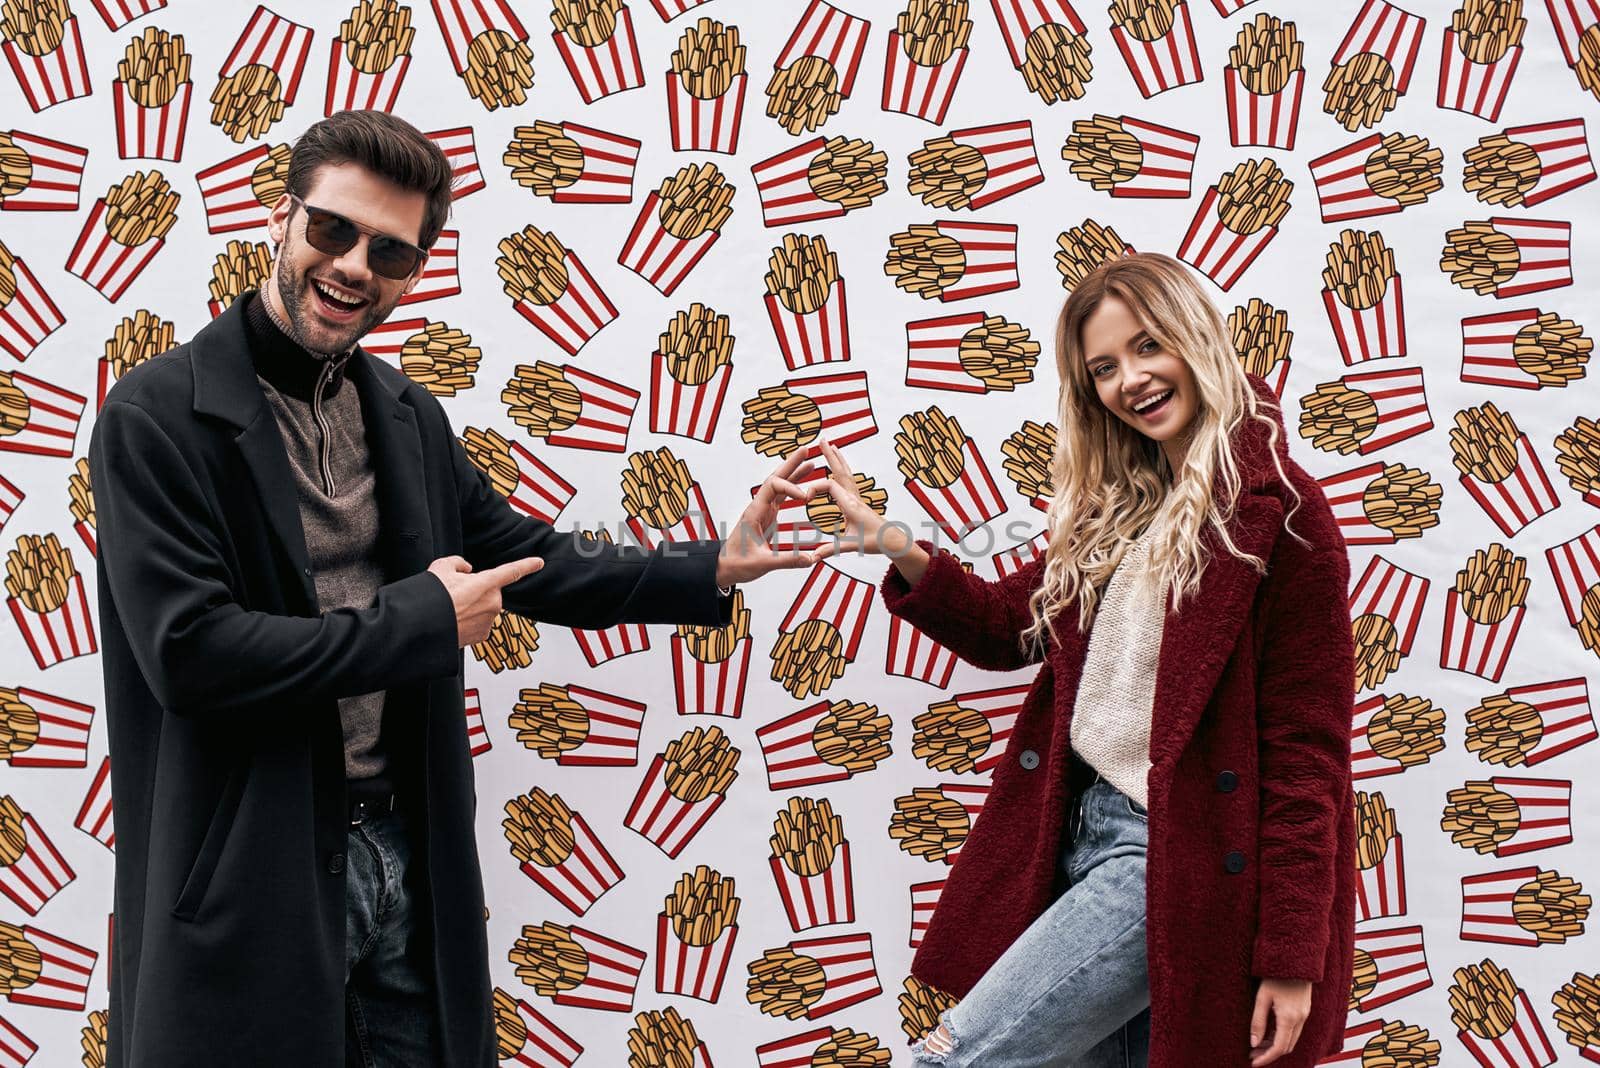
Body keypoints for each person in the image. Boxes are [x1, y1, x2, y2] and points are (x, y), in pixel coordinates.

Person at [87, 109, 823, 1067]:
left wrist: (710, 563)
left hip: (406, 852)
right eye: (332, 230)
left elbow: (529, 558)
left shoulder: (402, 414)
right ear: (279, 219)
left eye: (389, 251)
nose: (354, 266)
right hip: (252, 868)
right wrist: (422, 618)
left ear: (414, 272)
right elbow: (192, 656)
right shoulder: (155, 418)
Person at [813, 252, 1356, 1067]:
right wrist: (892, 543)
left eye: (1147, 347)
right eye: (1103, 368)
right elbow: (1005, 627)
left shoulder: (1281, 517)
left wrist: (1291, 956)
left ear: (1195, 337)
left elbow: (1307, 754)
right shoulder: (1119, 514)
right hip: (1074, 839)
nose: (1129, 379)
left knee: (951, 1058)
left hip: (1171, 859)